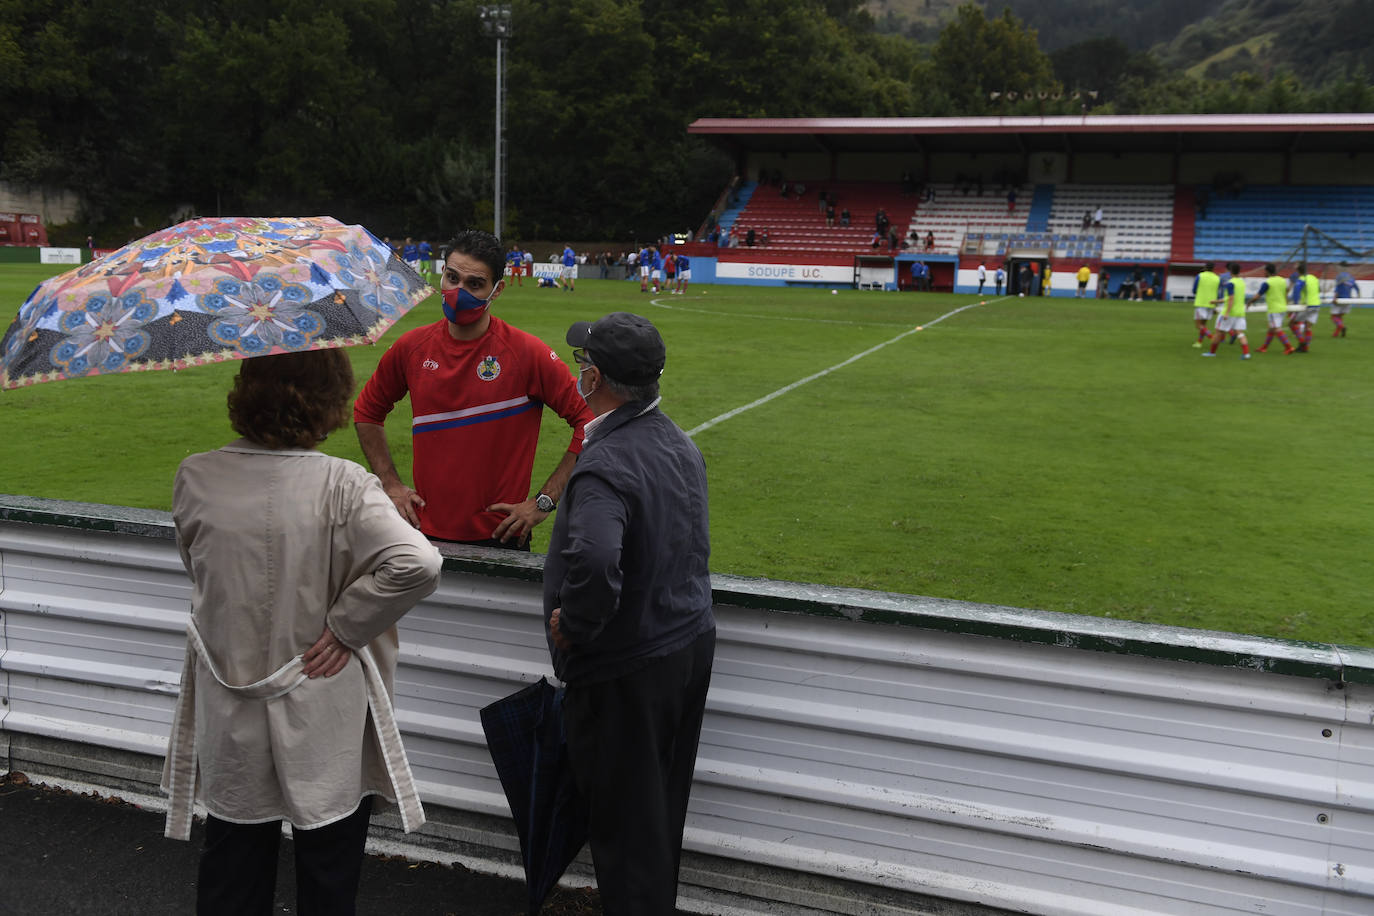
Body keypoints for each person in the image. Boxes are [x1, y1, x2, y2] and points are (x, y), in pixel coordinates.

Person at [164, 349, 442, 915]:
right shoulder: (343, 484)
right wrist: (344, 628)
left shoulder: (196, 476)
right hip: (321, 696)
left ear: (246, 394)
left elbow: (203, 576)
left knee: (233, 867)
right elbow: (419, 563)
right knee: (328, 871)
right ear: (328, 404)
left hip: (234, 691)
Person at [545, 311, 714, 916]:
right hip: (684, 641)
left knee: (623, 823)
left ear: (595, 379)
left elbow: (593, 558)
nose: (575, 371)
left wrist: (577, 624)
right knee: (657, 811)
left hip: (628, 664)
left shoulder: (606, 462)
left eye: (581, 363)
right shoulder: (677, 441)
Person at [354, 229, 594, 547]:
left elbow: (590, 422)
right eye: (452, 278)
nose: (458, 291)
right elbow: (367, 411)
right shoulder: (412, 347)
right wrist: (390, 483)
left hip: (502, 535)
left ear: (497, 290)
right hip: (421, 532)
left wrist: (543, 502)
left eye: (474, 284)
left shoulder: (526, 354)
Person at [1203, 262, 1251, 359]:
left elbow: (1231, 298)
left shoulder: (1230, 283)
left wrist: (1227, 313)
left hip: (1230, 312)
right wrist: (1216, 301)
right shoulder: (1241, 282)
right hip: (1240, 312)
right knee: (1240, 333)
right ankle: (1246, 354)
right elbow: (1230, 297)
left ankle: (1212, 352)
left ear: (1230, 271)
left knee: (1218, 332)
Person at [1250, 263, 1294, 355]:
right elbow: (1286, 292)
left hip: (1274, 309)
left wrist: (1249, 302)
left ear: (1267, 271)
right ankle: (1264, 347)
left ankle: (1289, 347)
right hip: (1282, 307)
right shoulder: (1282, 280)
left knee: (1277, 329)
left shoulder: (1267, 283)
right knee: (1271, 329)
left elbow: (1257, 296)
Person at [1289, 262, 1321, 352]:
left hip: (1307, 305)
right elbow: (1319, 289)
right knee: (1308, 327)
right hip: (1317, 304)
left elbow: (1296, 293)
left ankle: (1302, 342)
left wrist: (1295, 305)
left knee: (1291, 324)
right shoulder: (1313, 278)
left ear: (1298, 271)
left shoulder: (1301, 279)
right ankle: (1305, 348)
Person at [1190, 263, 1221, 347]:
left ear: (1205, 267)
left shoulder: (1200, 275)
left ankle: (1212, 337)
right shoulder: (1217, 278)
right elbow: (1218, 291)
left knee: (1198, 325)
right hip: (1211, 303)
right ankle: (1199, 342)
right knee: (1203, 325)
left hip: (1201, 302)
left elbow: (1194, 289)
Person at [1332, 267, 1358, 337]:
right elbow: (1357, 289)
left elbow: (1337, 288)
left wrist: (1334, 297)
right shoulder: (1351, 278)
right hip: (1348, 300)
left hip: (1340, 299)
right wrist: (1358, 299)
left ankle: (1342, 327)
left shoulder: (1340, 276)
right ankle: (1336, 334)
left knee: (1334, 317)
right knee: (1339, 317)